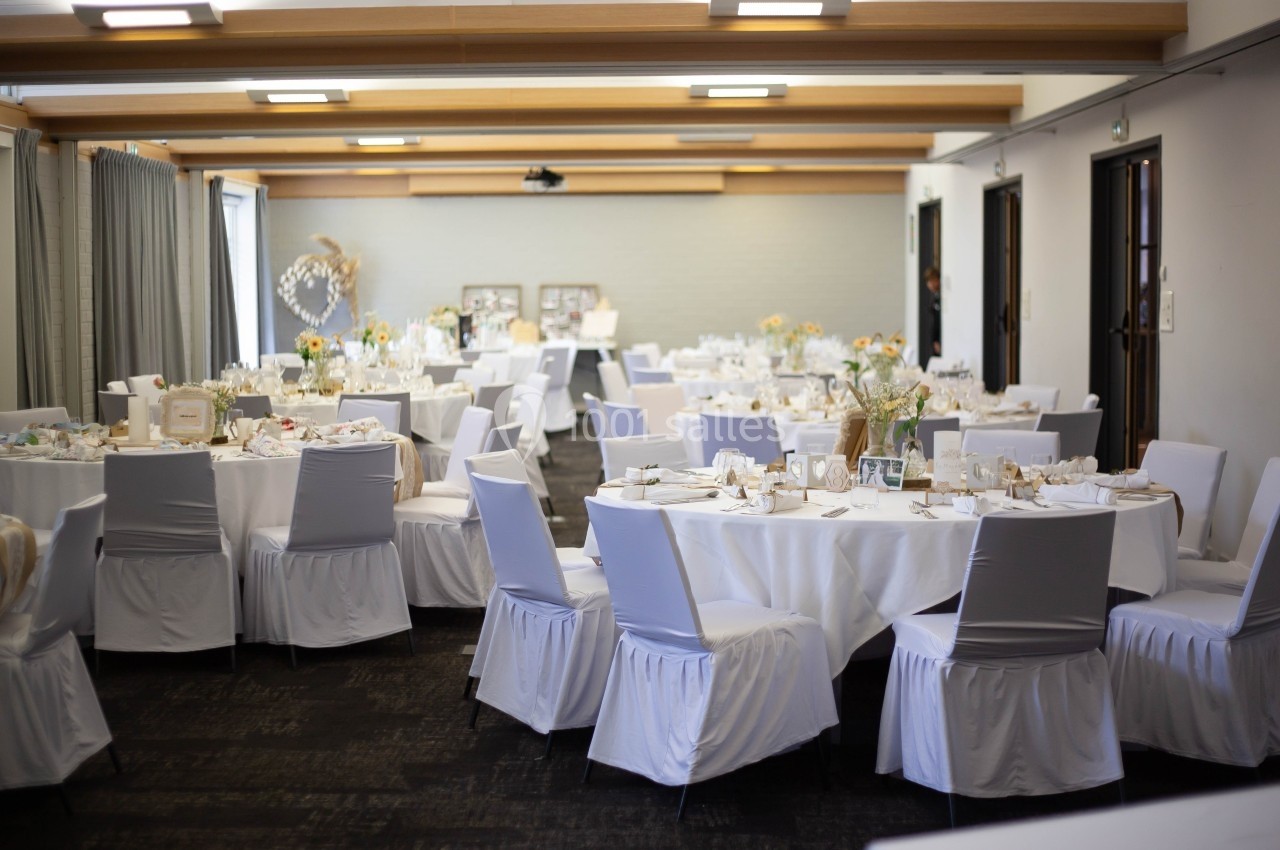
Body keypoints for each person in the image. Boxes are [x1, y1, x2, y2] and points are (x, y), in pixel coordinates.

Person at [924, 266, 942, 357]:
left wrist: (938, 340)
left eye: (932, 280)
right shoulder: (934, 297)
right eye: (928, 282)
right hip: (935, 340)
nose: (930, 284)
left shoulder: (942, 298)